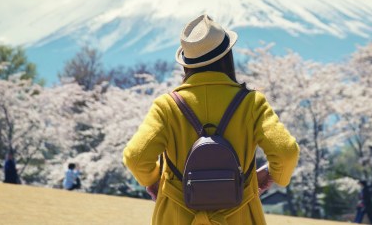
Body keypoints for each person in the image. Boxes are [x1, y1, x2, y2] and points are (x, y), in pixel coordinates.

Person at [123, 14, 300, 224]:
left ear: (186, 63)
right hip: (239, 215)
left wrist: (154, 181)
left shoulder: (167, 106)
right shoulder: (251, 102)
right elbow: (286, 152)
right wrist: (272, 175)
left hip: (176, 216)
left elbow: (136, 156)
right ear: (227, 56)